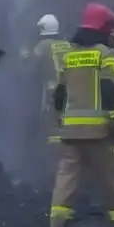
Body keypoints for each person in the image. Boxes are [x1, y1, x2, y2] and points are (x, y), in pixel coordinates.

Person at [47, 3, 114, 227]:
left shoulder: (69, 56)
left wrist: (59, 121)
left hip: (71, 133)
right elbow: (110, 92)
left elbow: (59, 94)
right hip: (101, 133)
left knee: (66, 182)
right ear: (104, 30)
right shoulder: (106, 56)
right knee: (113, 182)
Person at [30, 13, 69, 174]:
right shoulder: (67, 45)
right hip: (70, 92)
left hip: (52, 93)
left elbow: (30, 63)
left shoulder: (43, 46)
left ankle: (54, 168)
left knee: (52, 129)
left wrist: (23, 53)